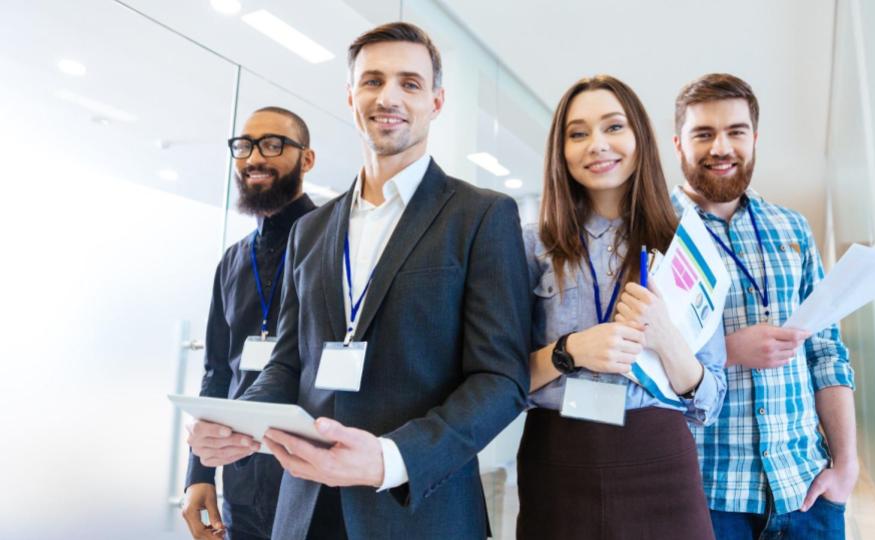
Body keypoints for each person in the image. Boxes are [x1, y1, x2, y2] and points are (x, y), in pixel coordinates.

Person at [186, 22, 530, 540]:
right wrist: (240, 422)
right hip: (303, 508)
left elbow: (501, 381)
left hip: (416, 508)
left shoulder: (481, 215)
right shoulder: (311, 229)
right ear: (351, 97)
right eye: (372, 81)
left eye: (409, 83)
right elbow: (286, 363)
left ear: (436, 102)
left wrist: (390, 458)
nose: (388, 96)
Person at [517, 74, 726, 540]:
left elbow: (711, 399)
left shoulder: (684, 243)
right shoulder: (532, 245)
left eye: (613, 127)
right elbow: (501, 379)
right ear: (561, 150)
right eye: (578, 133)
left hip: (659, 457)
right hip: (558, 458)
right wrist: (568, 351)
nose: (597, 145)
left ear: (639, 137)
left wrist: (667, 339)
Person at [671, 73, 857, 539]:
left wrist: (847, 466)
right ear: (678, 144)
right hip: (707, 497)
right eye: (703, 133)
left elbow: (827, 353)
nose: (721, 147)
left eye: (735, 132)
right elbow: (635, 365)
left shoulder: (792, 228)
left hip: (807, 491)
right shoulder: (653, 233)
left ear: (755, 139)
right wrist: (726, 350)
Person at [181, 106, 317, 540]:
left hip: (311, 478)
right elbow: (218, 371)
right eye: (245, 146)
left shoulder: (335, 246)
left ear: (306, 160)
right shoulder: (233, 260)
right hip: (241, 482)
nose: (255, 157)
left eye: (273, 144)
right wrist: (199, 473)